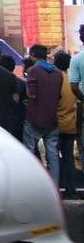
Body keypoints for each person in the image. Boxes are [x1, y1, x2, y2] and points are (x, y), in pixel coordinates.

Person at [23, 44, 63, 184]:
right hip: (52, 119)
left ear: (33, 55)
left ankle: (31, 185)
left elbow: (32, 95)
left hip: (35, 118)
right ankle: (55, 188)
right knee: (53, 156)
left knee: (29, 153)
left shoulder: (33, 70)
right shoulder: (58, 73)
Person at [53, 52, 79, 199]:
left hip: (56, 124)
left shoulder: (55, 80)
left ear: (55, 63)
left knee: (54, 158)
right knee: (69, 159)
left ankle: (56, 191)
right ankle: (72, 191)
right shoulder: (72, 81)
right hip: (70, 124)